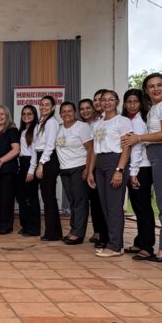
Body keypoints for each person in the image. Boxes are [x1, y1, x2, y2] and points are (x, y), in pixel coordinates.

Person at [123, 73, 162, 262]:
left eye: (159, 85)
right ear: (146, 90)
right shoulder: (155, 108)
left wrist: (138, 138)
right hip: (155, 153)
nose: (155, 89)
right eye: (151, 86)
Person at [88, 90, 132, 257]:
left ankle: (115, 246)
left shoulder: (122, 121)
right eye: (103, 100)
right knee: (105, 206)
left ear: (117, 102)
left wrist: (119, 170)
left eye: (111, 99)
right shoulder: (97, 123)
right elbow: (94, 150)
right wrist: (91, 171)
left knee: (114, 206)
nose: (107, 102)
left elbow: (126, 148)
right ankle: (112, 242)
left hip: (115, 162)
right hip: (100, 164)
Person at [122, 89, 155, 260]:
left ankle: (147, 246)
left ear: (141, 103)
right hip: (134, 168)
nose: (132, 105)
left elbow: (136, 148)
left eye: (135, 101)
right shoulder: (128, 120)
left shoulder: (138, 122)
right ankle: (140, 241)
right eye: (129, 102)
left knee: (143, 208)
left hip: (140, 168)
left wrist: (133, 172)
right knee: (137, 206)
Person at [55, 102, 94, 244]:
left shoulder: (82, 127)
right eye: (64, 111)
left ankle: (78, 234)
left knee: (80, 201)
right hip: (65, 169)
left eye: (69, 111)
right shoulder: (59, 129)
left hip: (79, 168)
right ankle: (73, 229)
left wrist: (88, 169)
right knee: (72, 201)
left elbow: (91, 149)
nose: (67, 114)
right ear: (60, 114)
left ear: (75, 112)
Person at [0, 105, 21, 235]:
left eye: (2, 114)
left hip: (8, 170)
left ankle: (6, 227)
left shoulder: (11, 130)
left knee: (6, 199)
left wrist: (1, 161)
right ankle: (0, 225)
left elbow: (16, 150)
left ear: (7, 116)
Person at [33, 95, 62, 241]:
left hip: (48, 160)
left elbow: (50, 145)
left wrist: (41, 164)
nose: (43, 107)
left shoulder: (51, 123)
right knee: (46, 197)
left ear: (53, 107)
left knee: (49, 197)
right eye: (42, 105)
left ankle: (53, 233)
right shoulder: (41, 122)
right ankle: (53, 231)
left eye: (47, 105)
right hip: (42, 157)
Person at [79, 98, 107, 246]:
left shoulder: (100, 123)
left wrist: (88, 168)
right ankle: (97, 230)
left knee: (100, 200)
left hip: (97, 166)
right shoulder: (80, 126)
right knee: (92, 200)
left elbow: (94, 149)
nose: (85, 111)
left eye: (88, 108)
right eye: (82, 109)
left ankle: (103, 232)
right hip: (85, 166)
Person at [16, 105, 41, 237]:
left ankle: (34, 228)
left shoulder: (36, 129)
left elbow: (35, 152)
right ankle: (25, 225)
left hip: (31, 163)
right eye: (24, 114)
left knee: (31, 197)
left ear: (34, 115)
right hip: (22, 163)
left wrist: (31, 170)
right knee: (21, 197)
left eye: (29, 113)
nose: (26, 116)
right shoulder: (22, 130)